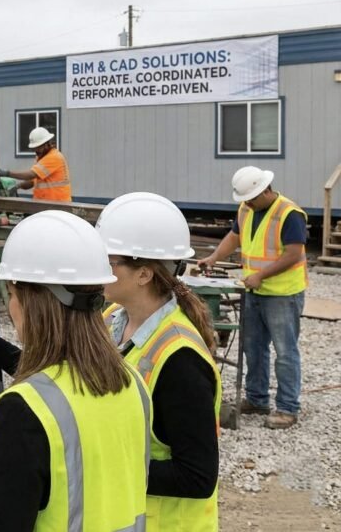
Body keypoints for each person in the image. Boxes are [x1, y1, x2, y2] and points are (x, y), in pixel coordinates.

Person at [0, 210, 151, 531]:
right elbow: (60, 455)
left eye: (10, 293)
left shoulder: (22, 410)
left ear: (27, 300)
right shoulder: (130, 380)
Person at [96, 192, 221, 531]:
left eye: (109, 260)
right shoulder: (112, 320)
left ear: (144, 274)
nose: (98, 268)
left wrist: (97, 464)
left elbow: (197, 477)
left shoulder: (181, 360)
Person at [197, 166, 307, 429]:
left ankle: (287, 408)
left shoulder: (290, 214)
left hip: (283, 293)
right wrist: (214, 257)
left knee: (285, 352)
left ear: (266, 190)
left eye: (252, 197)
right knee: (253, 348)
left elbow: (293, 253)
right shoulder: (246, 209)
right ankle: (257, 399)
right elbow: (234, 237)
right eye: (245, 199)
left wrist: (261, 275)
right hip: (254, 292)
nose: (248, 202)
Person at [0, 127, 72, 202]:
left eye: (38, 147)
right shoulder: (41, 158)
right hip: (45, 204)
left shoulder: (53, 157)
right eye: (34, 148)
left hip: (57, 205)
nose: (36, 150)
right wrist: (17, 187)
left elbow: (31, 174)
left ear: (47, 144)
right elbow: (32, 181)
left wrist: (7, 173)